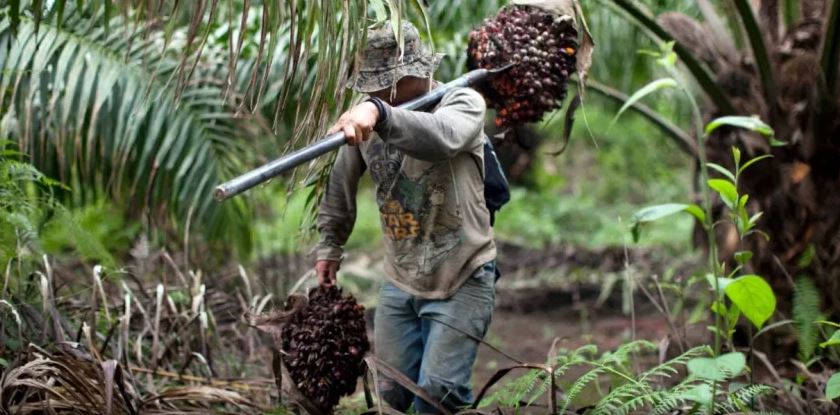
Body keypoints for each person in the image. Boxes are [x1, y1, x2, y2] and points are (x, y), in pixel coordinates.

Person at [313, 20, 497, 413]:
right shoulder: (366, 120)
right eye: (372, 86)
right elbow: (339, 184)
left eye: (382, 85)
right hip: (400, 279)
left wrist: (379, 112)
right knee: (395, 392)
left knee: (437, 392)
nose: (376, 91)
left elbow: (442, 138)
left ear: (414, 74)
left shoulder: (463, 103)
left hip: (462, 274)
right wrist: (329, 245)